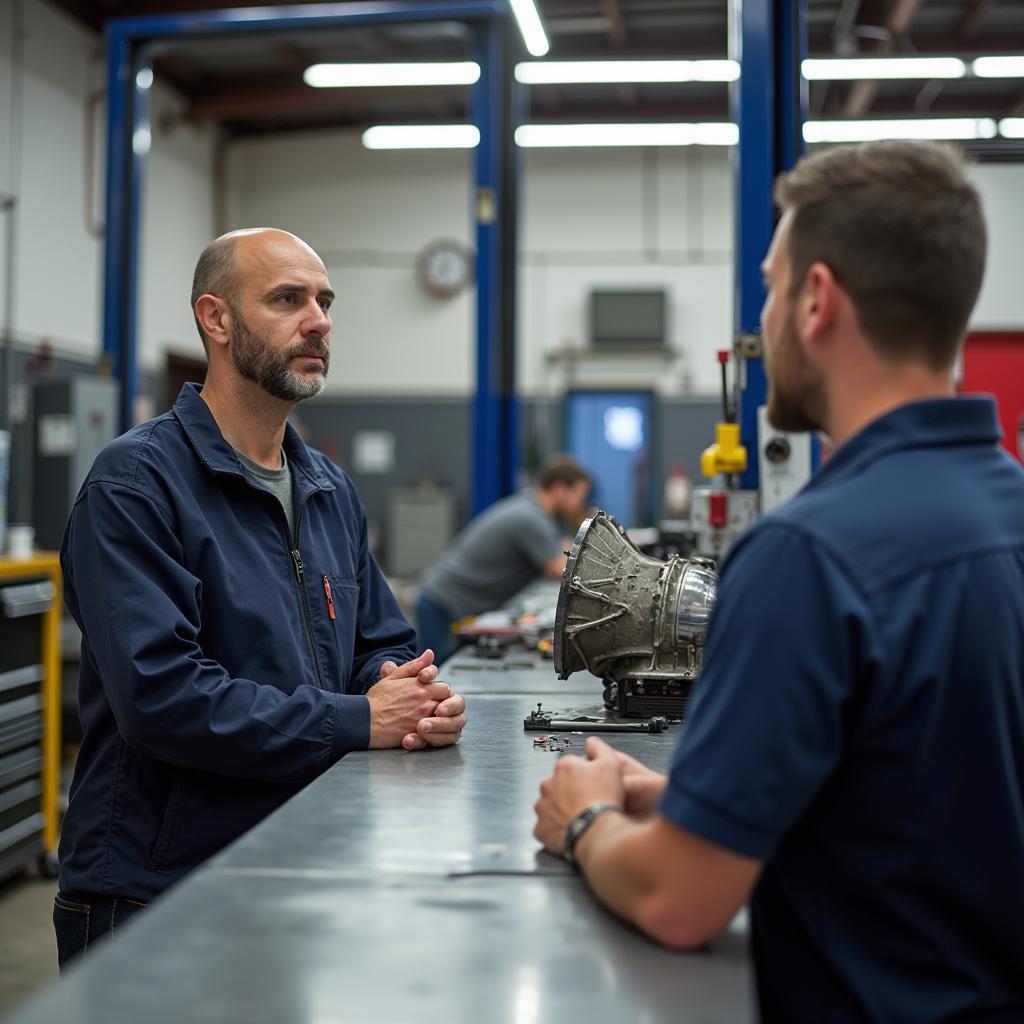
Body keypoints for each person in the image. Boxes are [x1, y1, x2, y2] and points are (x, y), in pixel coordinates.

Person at [533, 141, 1024, 1021]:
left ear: (816, 299)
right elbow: (932, 784)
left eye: (769, 283)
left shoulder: (809, 555)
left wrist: (583, 819)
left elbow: (678, 900)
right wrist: (698, 798)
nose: (764, 311)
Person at [54, 228, 467, 967]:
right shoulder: (137, 485)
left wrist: (409, 695)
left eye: (325, 301)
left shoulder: (327, 487)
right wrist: (362, 719)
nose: (319, 320)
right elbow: (164, 698)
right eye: (288, 300)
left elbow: (381, 642)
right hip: (159, 889)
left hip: (301, 854)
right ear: (216, 319)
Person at [416, 454, 592, 662]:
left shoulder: (534, 511)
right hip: (443, 605)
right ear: (559, 488)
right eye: (579, 496)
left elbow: (562, 547)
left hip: (448, 602)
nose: (580, 504)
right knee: (439, 679)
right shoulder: (530, 518)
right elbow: (563, 571)